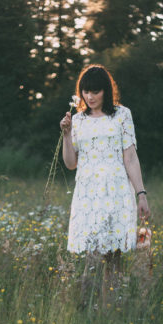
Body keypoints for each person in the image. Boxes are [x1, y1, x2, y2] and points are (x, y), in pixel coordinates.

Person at [59, 64, 150, 306]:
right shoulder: (76, 120)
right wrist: (67, 135)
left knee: (113, 255)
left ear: (106, 91)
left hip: (116, 190)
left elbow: (130, 157)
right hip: (88, 193)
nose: (90, 97)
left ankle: (111, 308)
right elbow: (70, 164)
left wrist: (141, 194)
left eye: (95, 91)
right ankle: (86, 305)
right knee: (92, 253)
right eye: (86, 92)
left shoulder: (122, 115)